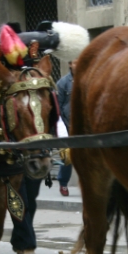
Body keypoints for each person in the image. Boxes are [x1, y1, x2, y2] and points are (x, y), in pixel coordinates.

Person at [56, 59, 77, 196]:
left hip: (83, 126)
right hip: (67, 125)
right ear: (70, 64)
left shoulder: (86, 79)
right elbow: (58, 107)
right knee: (67, 157)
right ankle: (63, 183)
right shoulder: (62, 83)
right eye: (75, 62)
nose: (78, 65)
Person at [10, 176, 42, 254]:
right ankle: (28, 245)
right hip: (13, 164)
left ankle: (18, 240)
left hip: (33, 163)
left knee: (30, 200)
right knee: (19, 200)